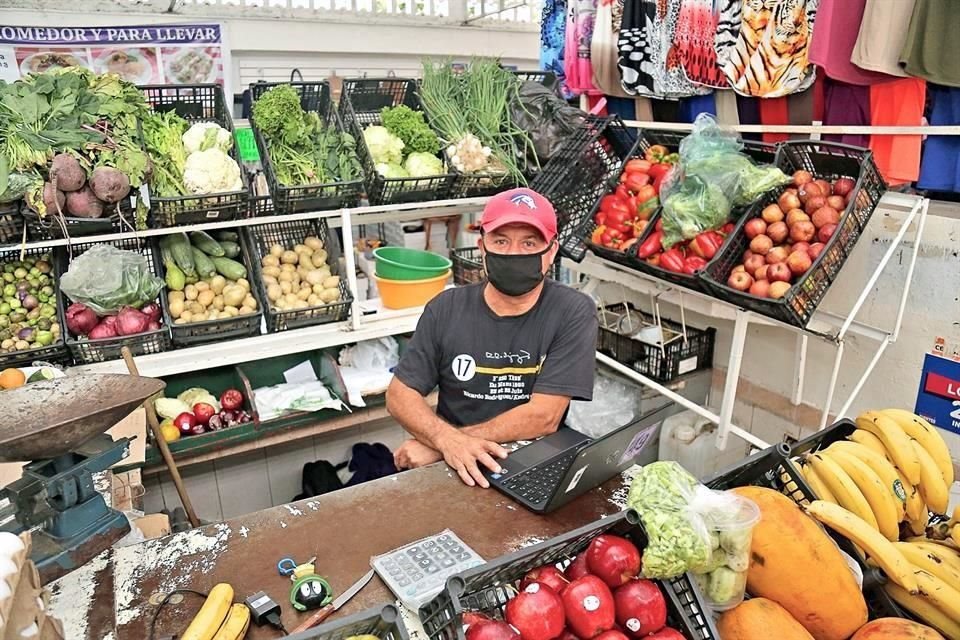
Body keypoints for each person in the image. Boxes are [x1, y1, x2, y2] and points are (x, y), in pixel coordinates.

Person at [386, 188, 598, 488]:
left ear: (551, 252)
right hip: (455, 468)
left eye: (529, 243)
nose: (513, 253)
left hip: (533, 460)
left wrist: (445, 445)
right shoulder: (446, 308)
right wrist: (446, 441)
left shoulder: (572, 311)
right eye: (501, 241)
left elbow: (544, 417)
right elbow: (399, 395)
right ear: (482, 248)